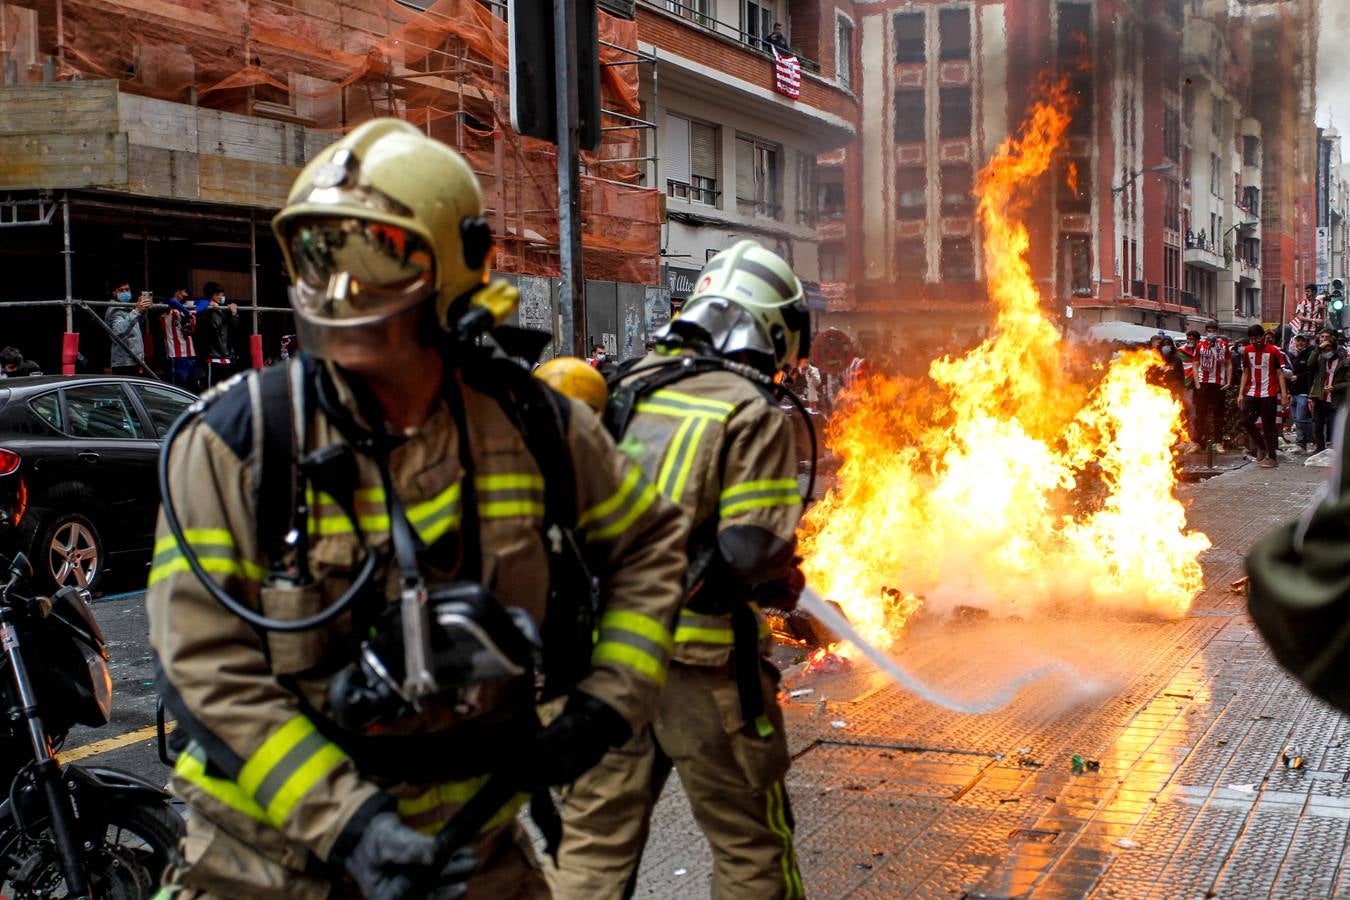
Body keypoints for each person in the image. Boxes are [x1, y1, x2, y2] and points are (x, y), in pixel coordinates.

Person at [147, 119, 688, 898]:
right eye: (320, 255)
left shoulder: (535, 425)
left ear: (451, 266)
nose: (343, 290)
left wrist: (608, 703)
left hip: (476, 848)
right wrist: (351, 824)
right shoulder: (238, 443)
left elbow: (650, 545)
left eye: (376, 254)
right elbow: (202, 667)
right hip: (265, 863)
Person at [551, 240, 810, 900]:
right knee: (751, 845)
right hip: (704, 668)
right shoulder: (751, 411)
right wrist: (779, 574)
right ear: (772, 329)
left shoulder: (622, 388)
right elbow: (749, 551)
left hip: (607, 659)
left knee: (591, 849)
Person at [1237, 323, 1290, 468]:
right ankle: (1261, 446)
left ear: (1263, 336)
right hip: (1252, 392)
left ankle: (1272, 457)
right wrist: (1241, 393)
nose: (1254, 341)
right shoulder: (1247, 351)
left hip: (1269, 393)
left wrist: (1284, 394)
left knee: (1269, 427)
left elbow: (1280, 373)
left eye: (1257, 338)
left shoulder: (1274, 351)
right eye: (1251, 338)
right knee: (1245, 420)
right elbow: (1246, 372)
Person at [1308, 327, 1347, 453]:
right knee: (1318, 425)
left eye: (1326, 337)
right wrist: (1318, 349)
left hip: (1336, 398)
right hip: (1321, 397)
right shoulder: (1320, 357)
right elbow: (1309, 364)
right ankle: (1320, 448)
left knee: (1335, 426)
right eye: (1321, 337)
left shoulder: (1343, 359)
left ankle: (1338, 450)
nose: (1327, 351)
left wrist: (1335, 387)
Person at [1193, 321, 1230, 451]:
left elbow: (1228, 363)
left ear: (1217, 331)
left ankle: (1219, 442)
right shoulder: (1200, 346)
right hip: (1203, 383)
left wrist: (1229, 381)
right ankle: (1197, 442)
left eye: (1214, 330)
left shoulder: (1223, 345)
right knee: (1200, 414)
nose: (1211, 333)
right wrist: (1197, 383)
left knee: (1218, 414)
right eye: (1209, 330)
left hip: (1218, 383)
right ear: (1205, 331)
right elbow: (1195, 365)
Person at [194, 282, 239, 388]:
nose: (220, 297)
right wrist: (215, 309)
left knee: (227, 391)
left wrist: (234, 313)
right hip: (213, 358)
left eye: (222, 294)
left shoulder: (225, 308)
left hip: (227, 357)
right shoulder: (205, 309)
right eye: (217, 294)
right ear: (210, 296)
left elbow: (234, 327)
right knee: (212, 392)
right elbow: (214, 326)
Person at [105, 281, 154, 374]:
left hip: (134, 360)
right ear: (114, 293)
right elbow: (118, 331)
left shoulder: (127, 307)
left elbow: (138, 322)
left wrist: (143, 310)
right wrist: (136, 311)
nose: (125, 292)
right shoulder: (114, 309)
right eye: (121, 290)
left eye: (127, 289)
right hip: (124, 363)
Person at [159, 287, 198, 390]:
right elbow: (171, 301)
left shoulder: (188, 305)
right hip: (175, 354)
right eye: (184, 291)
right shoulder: (166, 306)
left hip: (190, 354)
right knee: (178, 388)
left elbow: (204, 302)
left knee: (193, 387)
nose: (185, 294)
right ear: (177, 291)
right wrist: (186, 312)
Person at [1288, 333, 1315, 452]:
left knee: (1301, 419)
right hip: (1294, 393)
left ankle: (1315, 438)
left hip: (1304, 393)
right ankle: (1300, 443)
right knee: (1296, 420)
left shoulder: (1310, 354)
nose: (1299, 343)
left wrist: (1297, 377)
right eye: (1297, 340)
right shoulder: (1295, 356)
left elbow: (1311, 374)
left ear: (1307, 342)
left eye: (1302, 341)